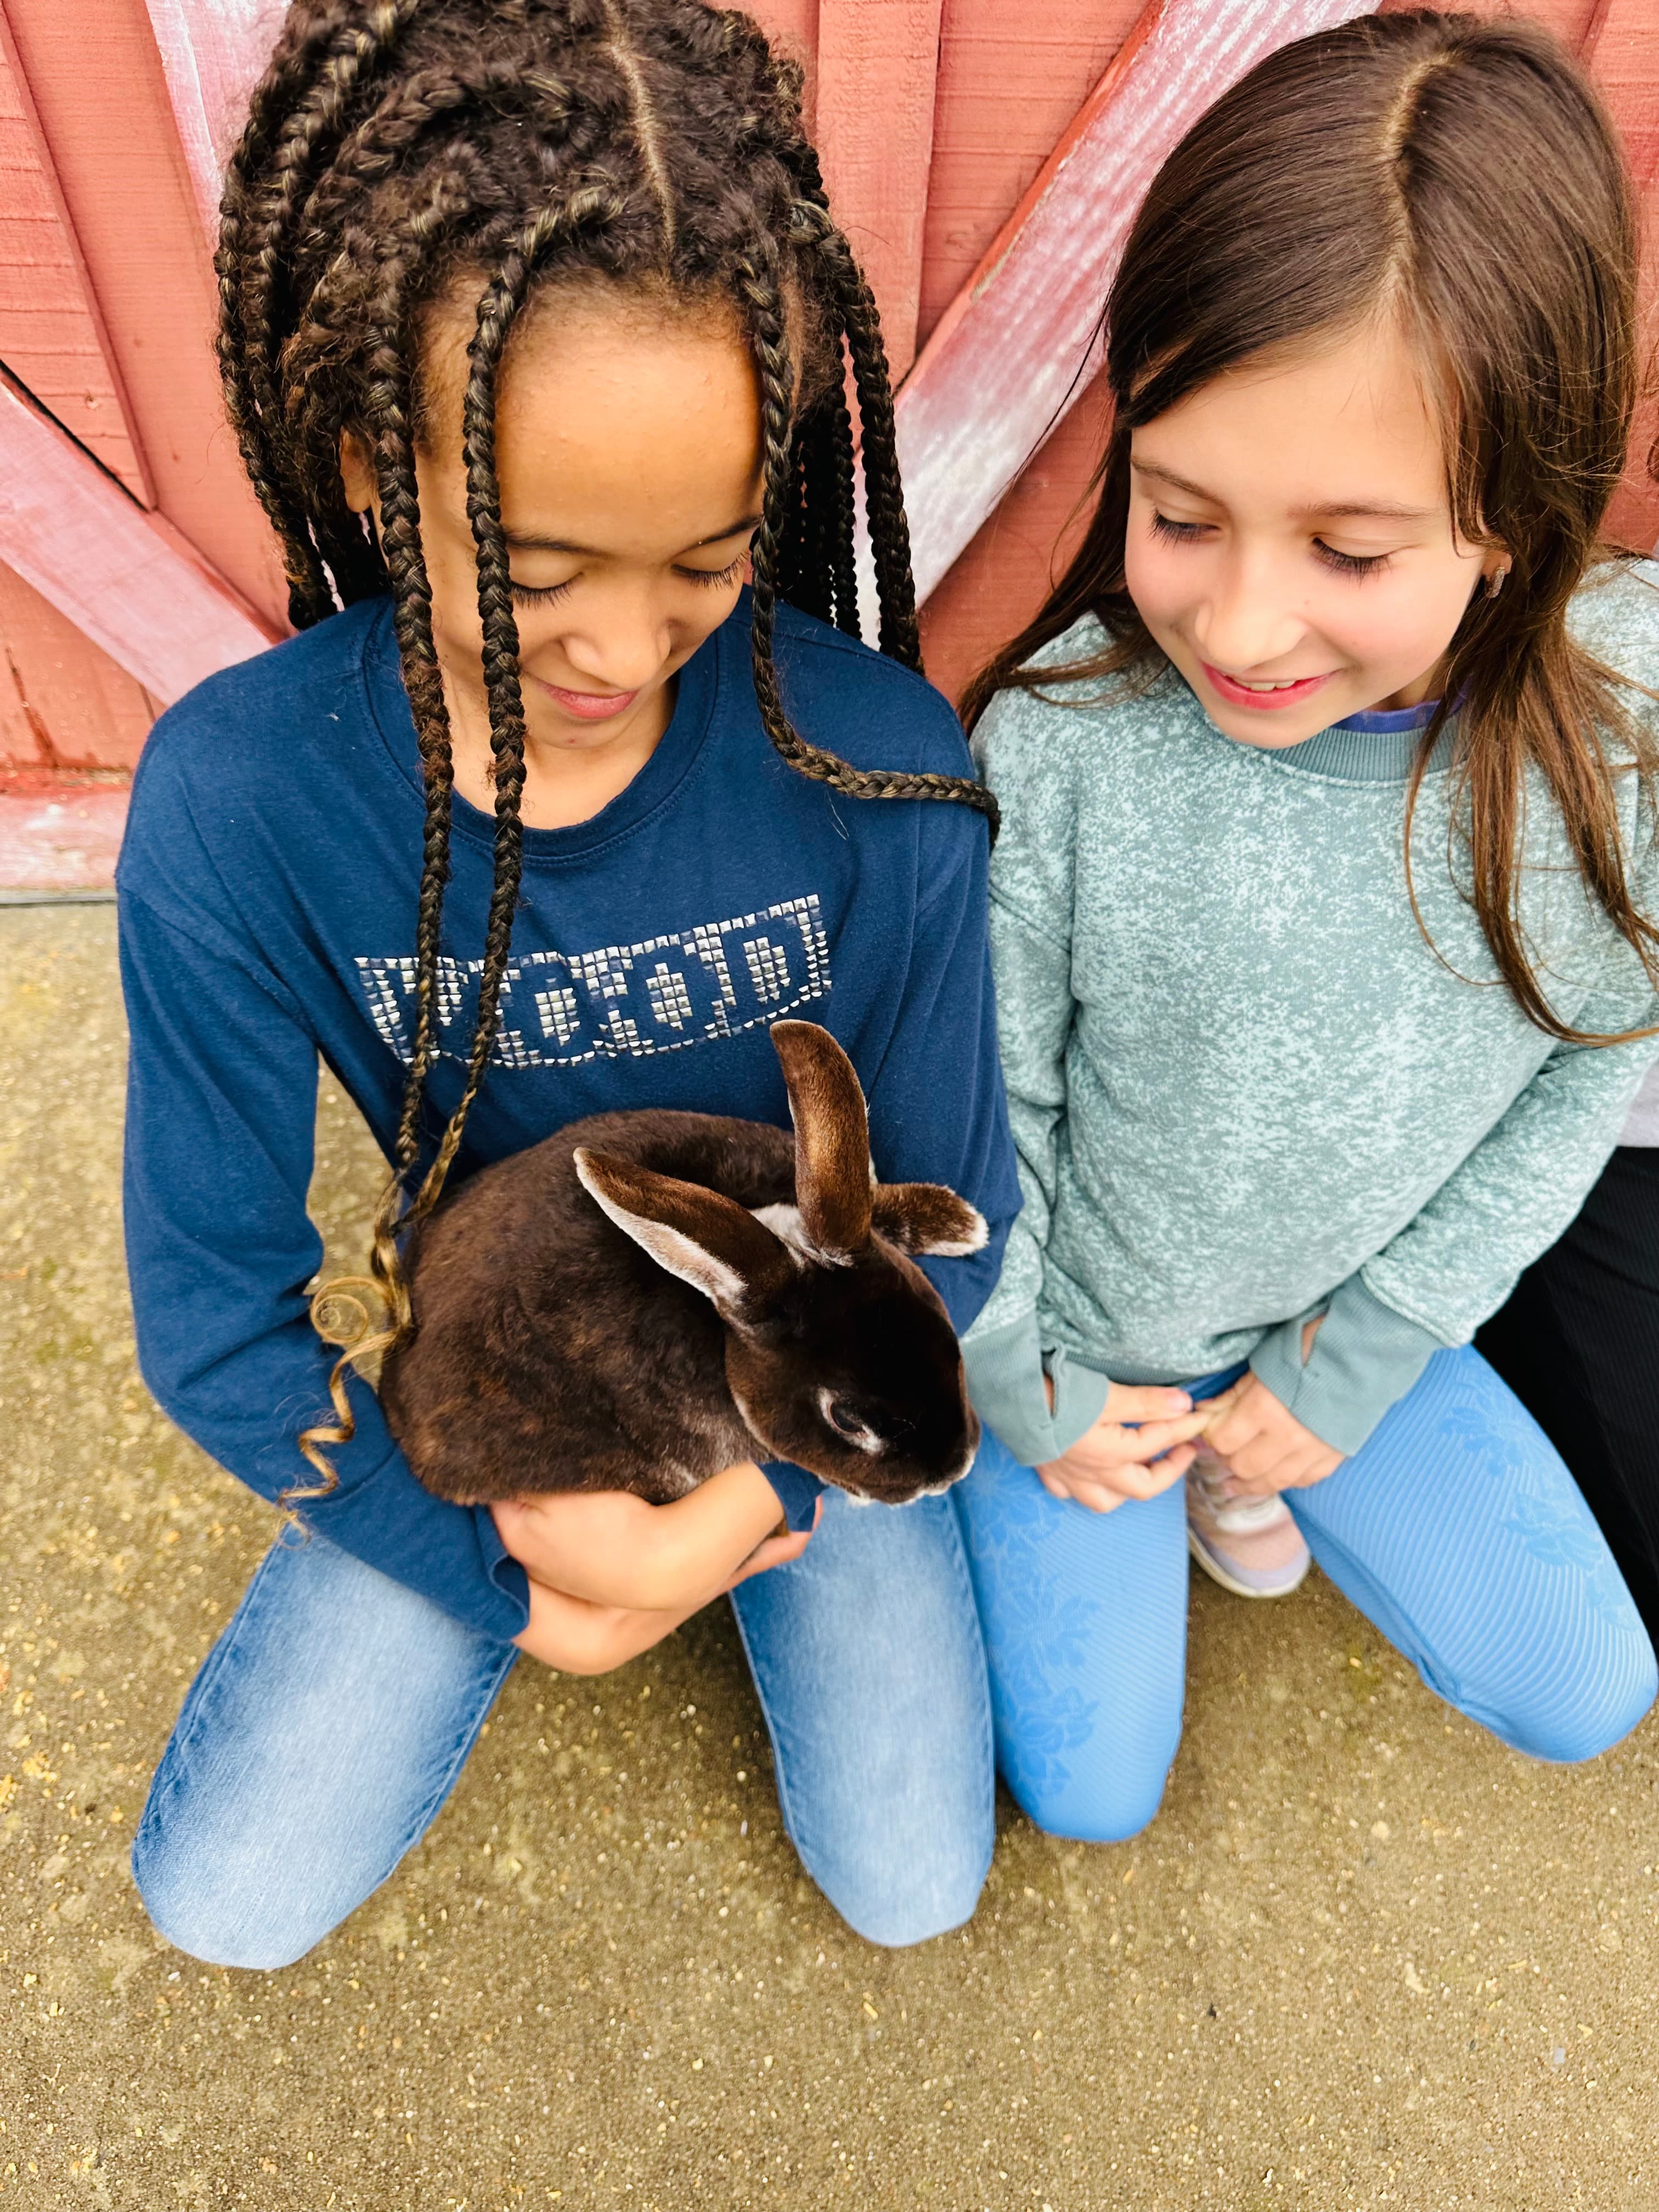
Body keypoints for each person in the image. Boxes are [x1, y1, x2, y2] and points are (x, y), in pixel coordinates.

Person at [119, 0, 1018, 1967]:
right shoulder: (239, 802)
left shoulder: (879, 769)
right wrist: (514, 1576)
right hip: (521, 1368)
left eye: (704, 559)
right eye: (531, 574)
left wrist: (734, 1520)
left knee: (914, 1887)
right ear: (367, 459)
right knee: (226, 1904)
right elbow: (211, 1320)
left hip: (794, 1379)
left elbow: (966, 1211)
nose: (620, 648)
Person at [951, 9, 1659, 1844]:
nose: (1245, 626)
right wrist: (1017, 1374)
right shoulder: (1069, 748)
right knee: (1092, 1796)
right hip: (1085, 1358)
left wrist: (1358, 1364)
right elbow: (976, 1096)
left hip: (1343, 1328)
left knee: (1586, 1689)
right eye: (1181, 514)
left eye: (1350, 551)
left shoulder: (1626, 735)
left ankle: (1256, 1472)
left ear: (1516, 516)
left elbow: (1585, 1074)